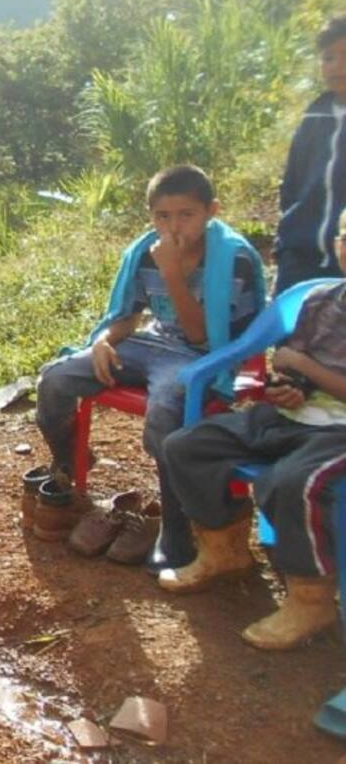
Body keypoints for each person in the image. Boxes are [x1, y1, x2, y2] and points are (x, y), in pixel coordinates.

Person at [32, 164, 266, 569]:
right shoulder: (144, 251)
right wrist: (105, 342)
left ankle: (175, 530)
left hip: (206, 355)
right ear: (150, 216)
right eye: (163, 216)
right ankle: (72, 463)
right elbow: (127, 315)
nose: (174, 225)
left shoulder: (235, 260)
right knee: (55, 380)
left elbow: (202, 339)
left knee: (164, 416)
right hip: (150, 343)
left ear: (212, 211)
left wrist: (173, 273)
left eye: (186, 215)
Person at [159, 210, 346, 650]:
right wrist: (288, 384)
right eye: (344, 236)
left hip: (338, 434)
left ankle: (310, 596)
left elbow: (301, 361)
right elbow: (285, 361)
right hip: (292, 418)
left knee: (292, 482)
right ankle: (224, 550)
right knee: (188, 446)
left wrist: (304, 369)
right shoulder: (321, 299)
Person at [273, 13, 346, 294]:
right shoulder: (316, 115)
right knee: (293, 333)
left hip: (343, 258)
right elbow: (292, 182)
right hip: (301, 257)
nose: (337, 66)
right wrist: (286, 242)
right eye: (328, 58)